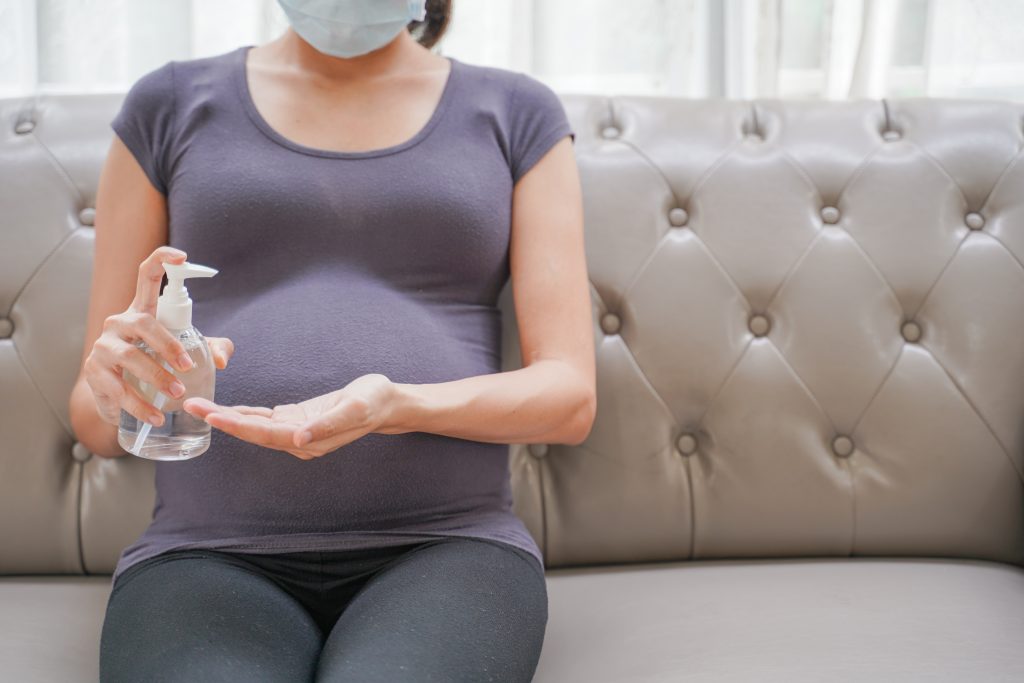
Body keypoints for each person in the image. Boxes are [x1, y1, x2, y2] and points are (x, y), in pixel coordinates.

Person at [68, 0, 595, 680]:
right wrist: (116, 385)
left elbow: (569, 396)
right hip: (205, 552)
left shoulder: (517, 113)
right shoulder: (166, 106)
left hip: (448, 548)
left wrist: (397, 404)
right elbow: (93, 418)